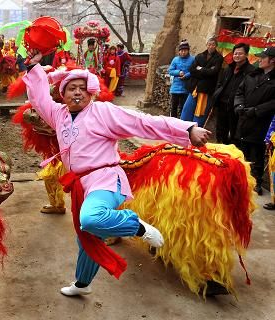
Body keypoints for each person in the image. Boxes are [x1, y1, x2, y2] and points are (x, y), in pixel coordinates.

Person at [22, 50, 210, 297]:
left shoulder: (103, 112)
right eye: (71, 88)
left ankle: (137, 226)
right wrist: (34, 67)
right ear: (63, 94)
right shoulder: (60, 114)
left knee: (91, 219)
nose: (77, 92)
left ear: (90, 92)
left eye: (82, 88)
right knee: (88, 237)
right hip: (80, 184)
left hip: (105, 179)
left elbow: (143, 122)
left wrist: (187, 129)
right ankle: (82, 283)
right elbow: (39, 100)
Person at [234, 46, 275, 195]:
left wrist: (257, 110)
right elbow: (240, 92)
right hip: (244, 120)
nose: (260, 59)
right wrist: (239, 106)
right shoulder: (252, 75)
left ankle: (256, 181)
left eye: (263, 57)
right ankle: (239, 179)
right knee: (241, 151)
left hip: (260, 123)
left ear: (272, 61)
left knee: (257, 153)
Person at [212, 42, 255, 144]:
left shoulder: (251, 71)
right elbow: (221, 83)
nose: (237, 56)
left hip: (236, 107)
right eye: (235, 53)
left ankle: (232, 153)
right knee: (221, 130)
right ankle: (220, 149)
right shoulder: (229, 68)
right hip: (223, 104)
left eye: (240, 53)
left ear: (246, 55)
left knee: (235, 132)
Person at [180, 37, 223, 127]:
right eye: (209, 44)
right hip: (195, 88)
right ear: (206, 45)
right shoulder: (200, 56)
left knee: (200, 112)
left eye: (213, 44)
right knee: (187, 109)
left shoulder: (218, 58)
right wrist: (206, 72)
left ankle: (196, 130)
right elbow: (192, 70)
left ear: (216, 46)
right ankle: (184, 127)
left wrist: (200, 69)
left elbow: (214, 72)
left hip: (206, 90)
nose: (211, 46)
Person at [168, 40, 194, 118]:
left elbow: (194, 71)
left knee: (183, 107)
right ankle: (173, 121)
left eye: (185, 51)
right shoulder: (175, 59)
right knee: (174, 107)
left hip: (186, 88)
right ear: (179, 51)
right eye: (181, 51)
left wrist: (186, 75)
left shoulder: (192, 59)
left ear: (188, 51)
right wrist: (178, 72)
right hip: (175, 87)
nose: (183, 52)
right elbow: (170, 71)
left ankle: (182, 122)